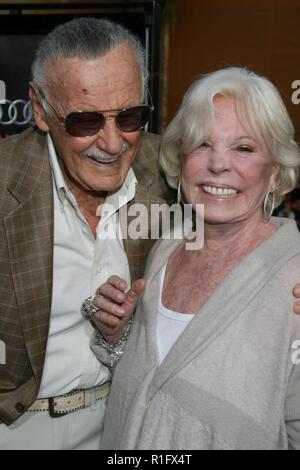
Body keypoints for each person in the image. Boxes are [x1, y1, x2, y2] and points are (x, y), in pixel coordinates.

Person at [94, 68, 300, 450]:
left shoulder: (293, 281)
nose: (218, 164)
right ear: (180, 157)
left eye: (244, 148)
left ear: (274, 171)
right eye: (202, 144)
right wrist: (116, 335)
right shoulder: (167, 248)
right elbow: (154, 384)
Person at [0, 17, 172, 450]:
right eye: (85, 122)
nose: (113, 144)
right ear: (39, 109)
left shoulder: (170, 169)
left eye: (131, 116)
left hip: (127, 423)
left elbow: (247, 197)